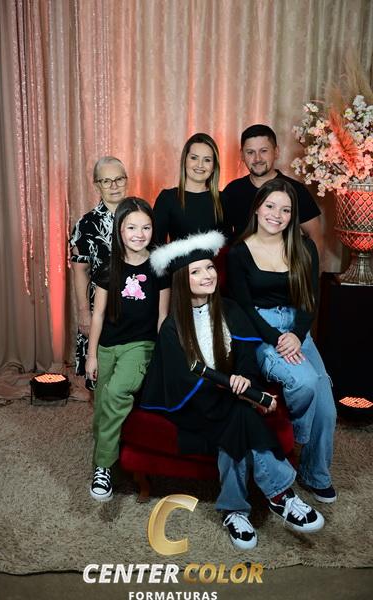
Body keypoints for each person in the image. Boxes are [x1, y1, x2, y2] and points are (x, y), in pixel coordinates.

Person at [141, 231, 324, 550]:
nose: (207, 275)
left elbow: (247, 359)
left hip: (231, 402)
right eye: (196, 271)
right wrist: (240, 394)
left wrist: (245, 381)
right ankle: (282, 495)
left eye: (210, 267)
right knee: (239, 414)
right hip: (195, 408)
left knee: (236, 422)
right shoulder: (173, 327)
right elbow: (181, 382)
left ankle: (235, 511)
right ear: (182, 280)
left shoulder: (231, 310)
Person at [227, 178, 337, 504]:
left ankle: (315, 475)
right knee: (305, 382)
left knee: (327, 405)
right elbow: (244, 307)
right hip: (262, 331)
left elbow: (310, 299)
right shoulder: (239, 252)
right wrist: (277, 339)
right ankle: (299, 439)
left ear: (292, 215)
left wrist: (297, 335)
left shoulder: (304, 247)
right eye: (271, 206)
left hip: (298, 328)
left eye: (286, 210)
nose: (277, 215)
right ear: (257, 208)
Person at [85, 198, 170, 501]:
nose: (139, 234)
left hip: (141, 345)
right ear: (120, 230)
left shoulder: (159, 265)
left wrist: (162, 357)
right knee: (102, 406)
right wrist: (91, 355)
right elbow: (97, 314)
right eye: (132, 227)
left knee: (117, 392)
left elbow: (162, 316)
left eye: (146, 227)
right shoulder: (108, 267)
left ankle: (103, 466)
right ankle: (109, 447)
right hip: (107, 345)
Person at [69, 156, 128, 388]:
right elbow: (80, 271)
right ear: (96, 185)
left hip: (137, 305)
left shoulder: (140, 216)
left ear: (126, 180)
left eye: (119, 179)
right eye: (106, 181)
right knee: (100, 374)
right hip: (100, 309)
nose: (114, 186)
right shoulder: (85, 225)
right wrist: (84, 313)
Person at [222, 124, 323, 257]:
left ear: (276, 152)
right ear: (242, 155)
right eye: (250, 152)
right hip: (240, 267)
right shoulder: (232, 190)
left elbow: (315, 237)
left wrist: (309, 270)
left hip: (283, 268)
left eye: (264, 151)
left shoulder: (296, 190)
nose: (257, 159)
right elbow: (223, 238)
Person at [153, 133, 228, 243]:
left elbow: (228, 245)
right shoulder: (167, 199)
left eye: (207, 160)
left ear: (213, 167)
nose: (200, 165)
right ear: (184, 161)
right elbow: (156, 244)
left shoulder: (223, 200)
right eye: (194, 158)